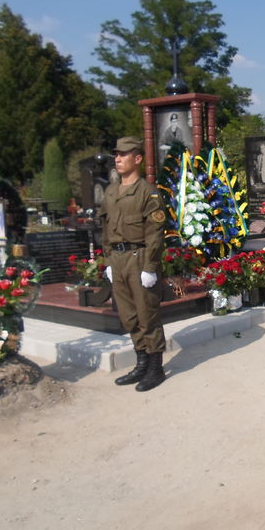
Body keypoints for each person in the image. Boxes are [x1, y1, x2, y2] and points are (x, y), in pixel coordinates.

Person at [100, 136, 168, 392]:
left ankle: (155, 368)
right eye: (116, 154)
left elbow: (154, 232)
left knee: (146, 314)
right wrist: (107, 260)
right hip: (117, 260)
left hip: (139, 259)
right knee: (129, 316)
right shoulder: (111, 191)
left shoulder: (147, 192)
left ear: (137, 158)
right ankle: (141, 363)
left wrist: (150, 267)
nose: (117, 159)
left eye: (124, 154)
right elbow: (105, 228)